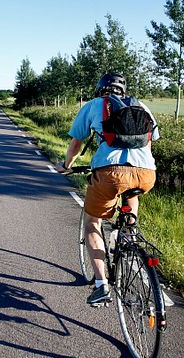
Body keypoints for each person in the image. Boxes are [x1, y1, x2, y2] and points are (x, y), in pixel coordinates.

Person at [56, 72, 160, 304]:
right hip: (146, 173)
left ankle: (101, 285)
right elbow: (152, 138)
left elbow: (77, 142)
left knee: (93, 222)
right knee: (132, 192)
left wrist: (66, 165)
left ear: (100, 89)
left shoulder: (94, 105)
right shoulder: (140, 105)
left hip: (109, 173)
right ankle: (129, 235)